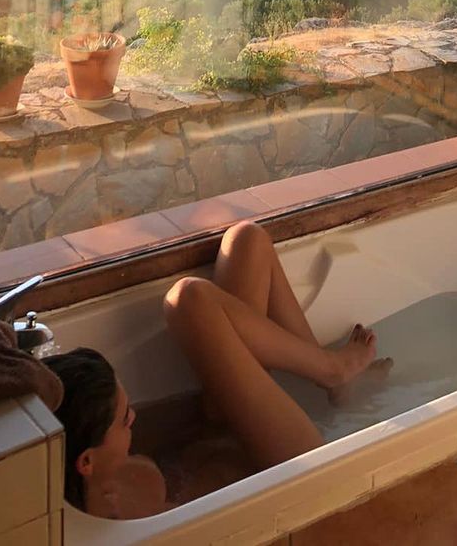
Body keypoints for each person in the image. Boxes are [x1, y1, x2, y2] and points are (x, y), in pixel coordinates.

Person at [45, 220, 386, 518]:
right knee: (191, 297)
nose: (133, 415)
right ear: (86, 462)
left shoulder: (106, 465)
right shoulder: (119, 522)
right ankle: (331, 370)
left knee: (247, 241)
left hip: (221, 432)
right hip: (288, 467)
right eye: (124, 420)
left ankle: (332, 376)